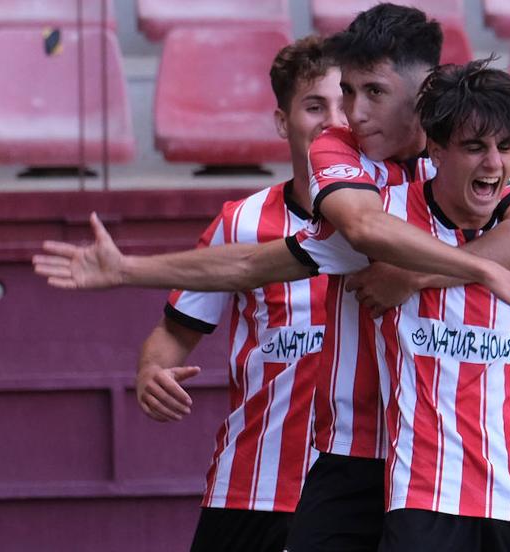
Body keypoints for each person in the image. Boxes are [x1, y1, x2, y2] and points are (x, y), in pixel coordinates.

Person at [34, 60, 510, 551]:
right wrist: (127, 270)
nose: (495, 164)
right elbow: (251, 262)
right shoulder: (383, 231)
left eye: (506, 150)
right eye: (475, 147)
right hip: (422, 497)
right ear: (434, 149)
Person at [134, 36, 344, 552]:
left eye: (346, 105)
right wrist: (151, 371)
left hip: (356, 492)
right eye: (315, 105)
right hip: (251, 486)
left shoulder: (398, 217)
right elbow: (172, 333)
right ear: (281, 122)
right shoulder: (241, 222)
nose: (333, 122)